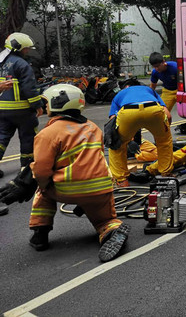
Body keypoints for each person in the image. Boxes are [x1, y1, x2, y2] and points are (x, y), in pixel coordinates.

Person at [27, 84, 130, 262]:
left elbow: (42, 170)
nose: (45, 107)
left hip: (66, 190)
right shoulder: (93, 128)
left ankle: (40, 234)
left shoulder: (48, 133)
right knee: (106, 221)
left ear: (56, 102)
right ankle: (110, 230)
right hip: (100, 190)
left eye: (47, 103)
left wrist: (42, 185)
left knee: (42, 189)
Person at [0, 33, 44, 216]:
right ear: (19, 47)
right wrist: (37, 105)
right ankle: (26, 170)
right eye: (26, 48)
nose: (27, 51)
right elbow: (29, 88)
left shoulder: (2, 62)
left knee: (2, 139)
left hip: (2, 110)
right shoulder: (21, 64)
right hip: (23, 111)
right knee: (28, 140)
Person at [108, 78, 173, 187]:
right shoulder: (149, 90)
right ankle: (166, 174)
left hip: (128, 111)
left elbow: (112, 120)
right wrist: (164, 132)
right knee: (164, 142)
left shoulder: (120, 94)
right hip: (153, 109)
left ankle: (122, 181)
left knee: (117, 147)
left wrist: (119, 140)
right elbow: (168, 115)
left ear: (126, 87)